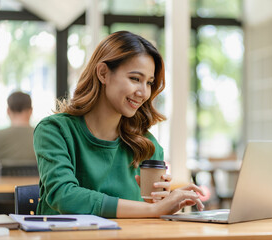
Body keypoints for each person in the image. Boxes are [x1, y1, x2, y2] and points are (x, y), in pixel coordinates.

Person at [34, 31, 205, 218]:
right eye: (135, 79)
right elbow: (63, 196)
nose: (143, 92)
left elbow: (148, 214)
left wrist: (160, 202)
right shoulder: (54, 131)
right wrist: (153, 210)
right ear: (103, 73)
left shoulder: (148, 145)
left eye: (149, 83)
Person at [0, 91, 36, 175]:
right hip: (35, 188)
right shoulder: (44, 136)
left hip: (1, 187)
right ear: (31, 111)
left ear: (8, 111)